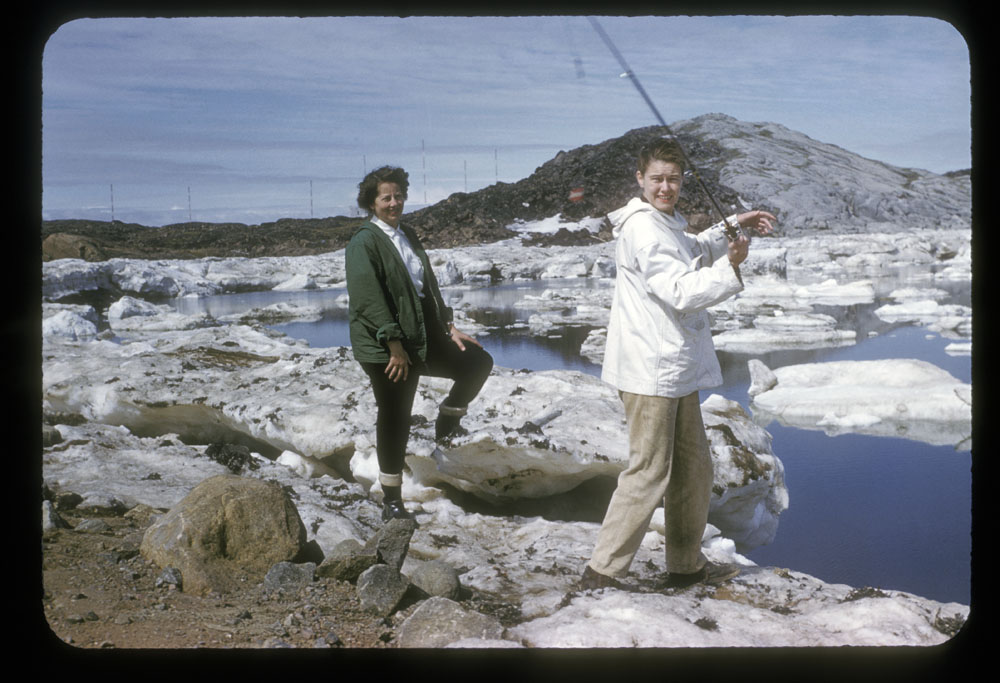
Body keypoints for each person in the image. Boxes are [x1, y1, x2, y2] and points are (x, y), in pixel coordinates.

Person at [580, 137, 775, 591]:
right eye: (657, 179)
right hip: (651, 369)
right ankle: (601, 573)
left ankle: (686, 566)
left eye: (673, 179)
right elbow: (680, 289)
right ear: (640, 180)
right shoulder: (644, 228)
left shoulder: (663, 222)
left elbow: (686, 249)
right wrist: (731, 264)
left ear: (682, 180)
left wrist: (731, 225)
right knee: (649, 471)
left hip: (673, 368)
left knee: (693, 470)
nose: (665, 187)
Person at [346, 166, 494, 524]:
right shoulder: (363, 242)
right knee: (396, 414)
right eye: (386, 198)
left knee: (476, 363)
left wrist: (449, 326)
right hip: (386, 345)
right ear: (371, 203)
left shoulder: (406, 234)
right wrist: (393, 343)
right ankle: (392, 499)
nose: (394, 203)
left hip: (422, 335)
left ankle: (448, 419)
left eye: (398, 196)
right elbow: (368, 298)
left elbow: (426, 287)